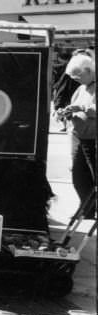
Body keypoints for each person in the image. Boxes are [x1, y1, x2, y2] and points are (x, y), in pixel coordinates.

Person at [57, 52, 96, 219]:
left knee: (94, 176)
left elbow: (89, 109)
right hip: (79, 137)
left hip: (93, 138)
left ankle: (89, 208)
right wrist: (65, 112)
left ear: (89, 71)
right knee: (78, 176)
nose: (76, 80)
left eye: (79, 76)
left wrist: (82, 108)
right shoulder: (81, 89)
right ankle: (86, 209)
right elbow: (74, 106)